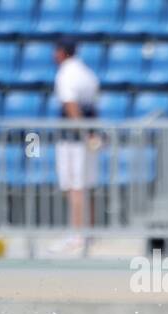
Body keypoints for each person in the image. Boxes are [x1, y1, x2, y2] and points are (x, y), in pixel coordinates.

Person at [52, 40, 100, 253]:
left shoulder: (66, 74)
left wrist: (83, 133)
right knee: (84, 185)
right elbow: (94, 106)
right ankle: (86, 233)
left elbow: (70, 106)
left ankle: (77, 236)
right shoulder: (87, 73)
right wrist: (91, 133)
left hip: (73, 139)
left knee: (75, 186)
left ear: (62, 53)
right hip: (86, 136)